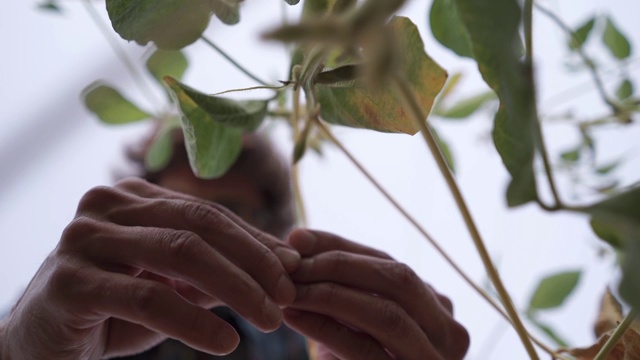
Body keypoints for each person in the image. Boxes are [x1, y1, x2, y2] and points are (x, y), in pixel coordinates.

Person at [0, 126, 469, 360]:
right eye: (174, 206)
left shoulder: (306, 343)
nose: (195, 233)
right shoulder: (73, 314)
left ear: (271, 228)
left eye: (228, 212)